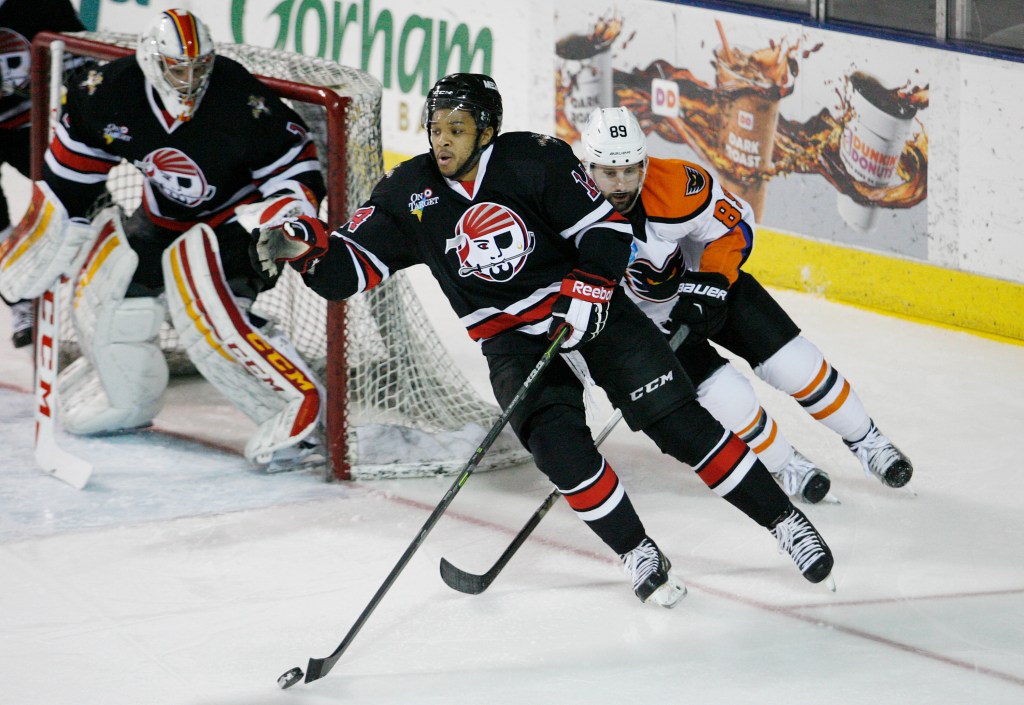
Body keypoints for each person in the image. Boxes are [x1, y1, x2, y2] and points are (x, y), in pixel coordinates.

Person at [253, 72, 835, 607]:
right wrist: (309, 249)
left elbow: (606, 229)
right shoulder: (408, 193)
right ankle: (638, 551)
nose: (442, 142)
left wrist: (589, 287)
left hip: (592, 309)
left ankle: (786, 523)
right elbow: (348, 272)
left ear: (486, 131)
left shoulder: (537, 160)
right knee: (560, 454)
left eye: (456, 129)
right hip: (512, 341)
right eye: (435, 129)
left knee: (682, 426)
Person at [20, 9, 326, 468]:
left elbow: (296, 164)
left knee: (200, 298)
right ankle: (129, 400)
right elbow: (72, 167)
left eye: (199, 66)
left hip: (233, 227)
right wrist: (57, 224)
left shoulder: (236, 95)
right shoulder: (110, 91)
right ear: (150, 59)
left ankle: (299, 412)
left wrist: (284, 218)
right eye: (177, 66)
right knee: (107, 299)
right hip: (161, 220)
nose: (189, 78)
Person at [578, 106, 913, 499]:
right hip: (648, 323)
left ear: (644, 164)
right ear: (588, 167)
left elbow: (734, 225)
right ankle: (786, 465)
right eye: (608, 172)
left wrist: (714, 279)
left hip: (707, 285)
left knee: (795, 364)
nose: (620, 184)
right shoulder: (567, 209)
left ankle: (867, 440)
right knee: (728, 398)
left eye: (630, 171)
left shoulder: (678, 185)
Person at [0, 0, 86, 348]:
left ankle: (129, 285)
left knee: (81, 201)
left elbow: (82, 58)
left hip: (30, 127)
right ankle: (22, 303)